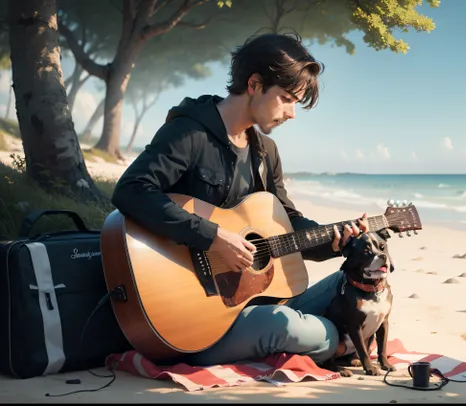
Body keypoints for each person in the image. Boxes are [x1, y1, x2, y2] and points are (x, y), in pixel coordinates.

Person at [110, 32, 367, 366]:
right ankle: (334, 343)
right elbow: (131, 190)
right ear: (255, 84)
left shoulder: (266, 152)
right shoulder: (189, 133)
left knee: (355, 285)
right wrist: (213, 237)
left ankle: (321, 337)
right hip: (193, 317)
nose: (292, 113)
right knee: (315, 332)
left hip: (254, 300)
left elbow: (287, 226)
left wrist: (335, 241)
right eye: (287, 98)